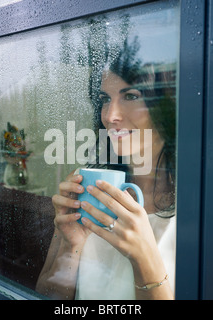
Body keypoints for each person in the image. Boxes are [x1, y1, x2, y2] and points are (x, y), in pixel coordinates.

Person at [36, 45, 176, 300]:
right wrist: (70, 244)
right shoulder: (89, 191)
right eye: (104, 100)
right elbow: (49, 297)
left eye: (131, 96)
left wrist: (143, 259)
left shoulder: (199, 212)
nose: (111, 116)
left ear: (164, 107)